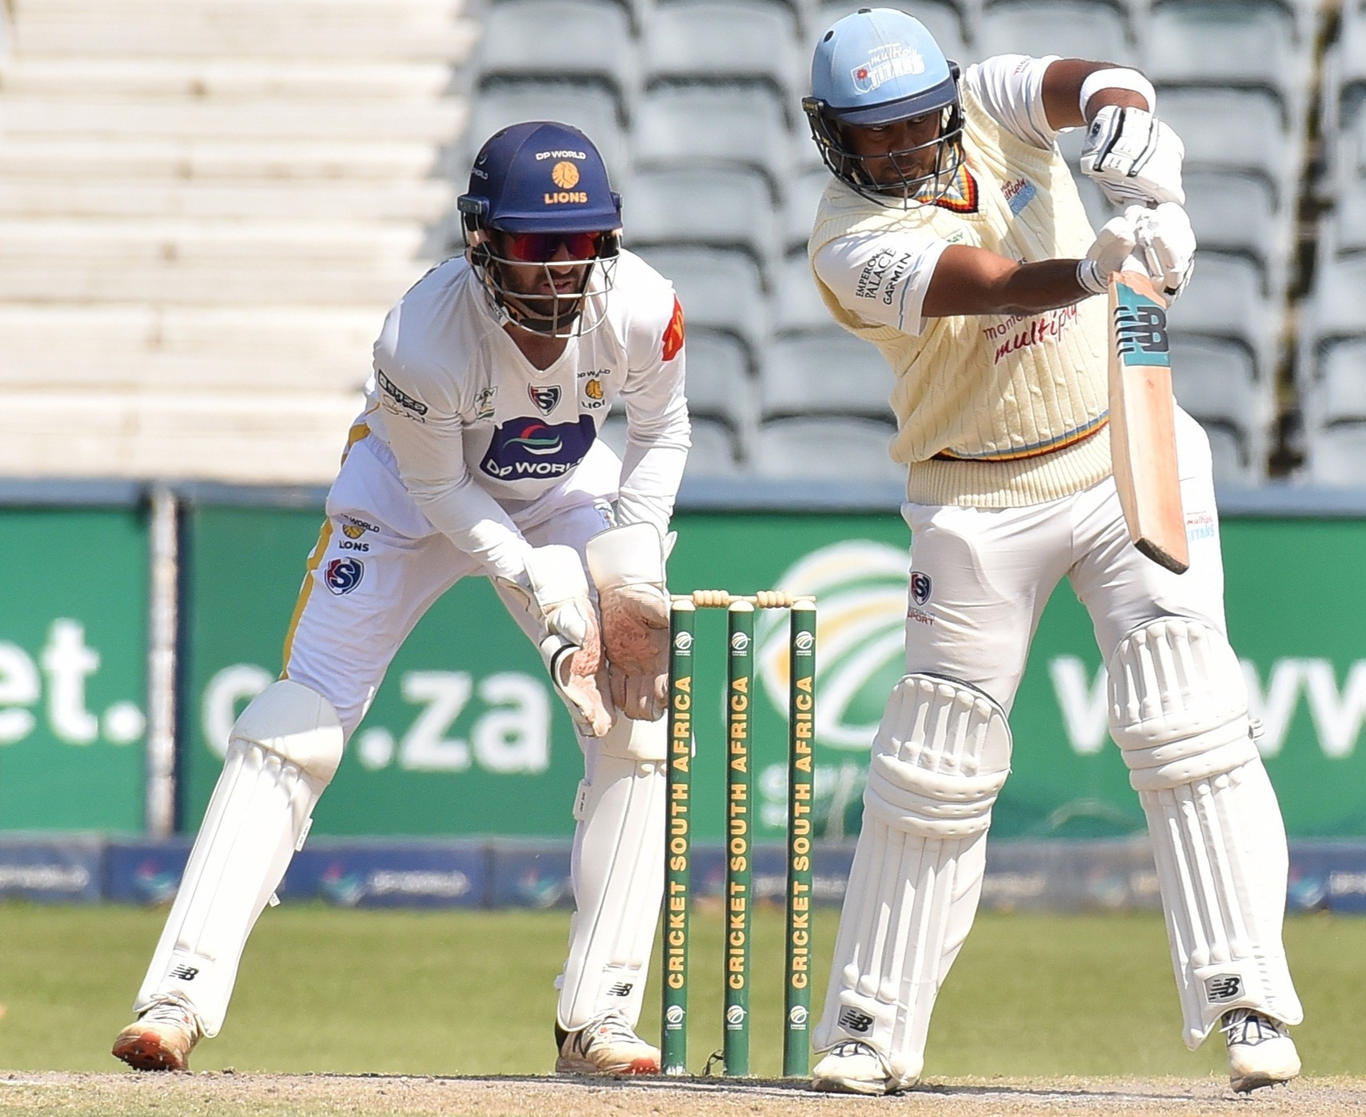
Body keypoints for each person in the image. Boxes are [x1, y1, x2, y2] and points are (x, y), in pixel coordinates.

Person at [111, 121, 688, 1077]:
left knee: (636, 716)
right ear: (481, 242)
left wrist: (630, 566)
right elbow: (443, 490)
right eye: (536, 244)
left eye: (581, 241)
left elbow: (664, 433)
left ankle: (599, 1018)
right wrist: (535, 577)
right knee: (296, 725)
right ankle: (177, 994)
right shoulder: (421, 336)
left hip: (561, 490)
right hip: (408, 500)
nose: (560, 270)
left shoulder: (645, 307)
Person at [798, 9, 1302, 1096]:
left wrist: (1140, 158)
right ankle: (869, 1030)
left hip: (1125, 444)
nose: (898, 149)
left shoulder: (987, 100)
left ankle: (1249, 999)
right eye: (872, 133)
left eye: (912, 123)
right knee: (933, 759)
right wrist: (1095, 267)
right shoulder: (845, 240)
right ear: (833, 136)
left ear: (943, 101)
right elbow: (984, 285)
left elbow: (1097, 80)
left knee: (1186, 716)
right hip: (974, 495)